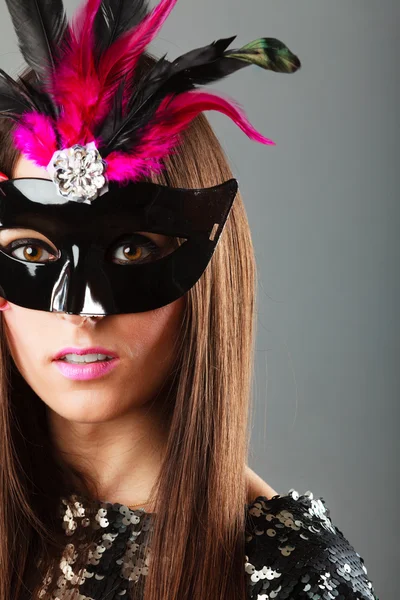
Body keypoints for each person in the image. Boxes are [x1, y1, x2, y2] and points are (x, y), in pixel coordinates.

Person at [0, 0, 378, 599]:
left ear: (208, 271)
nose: (82, 312)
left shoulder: (285, 577)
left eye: (129, 254)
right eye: (33, 254)